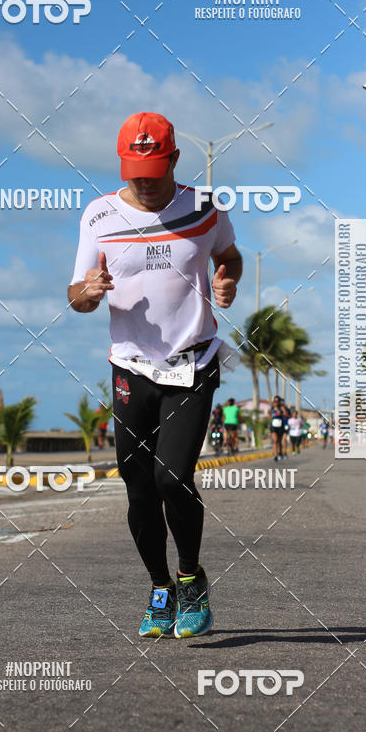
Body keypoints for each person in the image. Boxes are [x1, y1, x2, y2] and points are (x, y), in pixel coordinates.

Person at [68, 111, 241, 639]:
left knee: (172, 476)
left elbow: (230, 257)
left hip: (193, 360)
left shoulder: (206, 209)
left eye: (152, 170)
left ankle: (192, 579)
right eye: (132, 171)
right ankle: (160, 586)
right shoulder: (98, 216)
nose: (142, 181)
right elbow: (75, 295)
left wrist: (227, 280)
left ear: (174, 161)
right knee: (138, 487)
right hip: (130, 366)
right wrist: (89, 295)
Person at [270, 395, 287, 461]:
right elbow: (269, 417)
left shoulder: (282, 408)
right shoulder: (272, 408)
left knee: (279, 441)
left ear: (279, 402)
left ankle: (280, 453)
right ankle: (275, 455)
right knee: (275, 440)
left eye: (277, 401)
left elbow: (286, 415)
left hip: (280, 425)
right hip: (273, 426)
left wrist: (281, 414)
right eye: (275, 401)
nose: (276, 402)